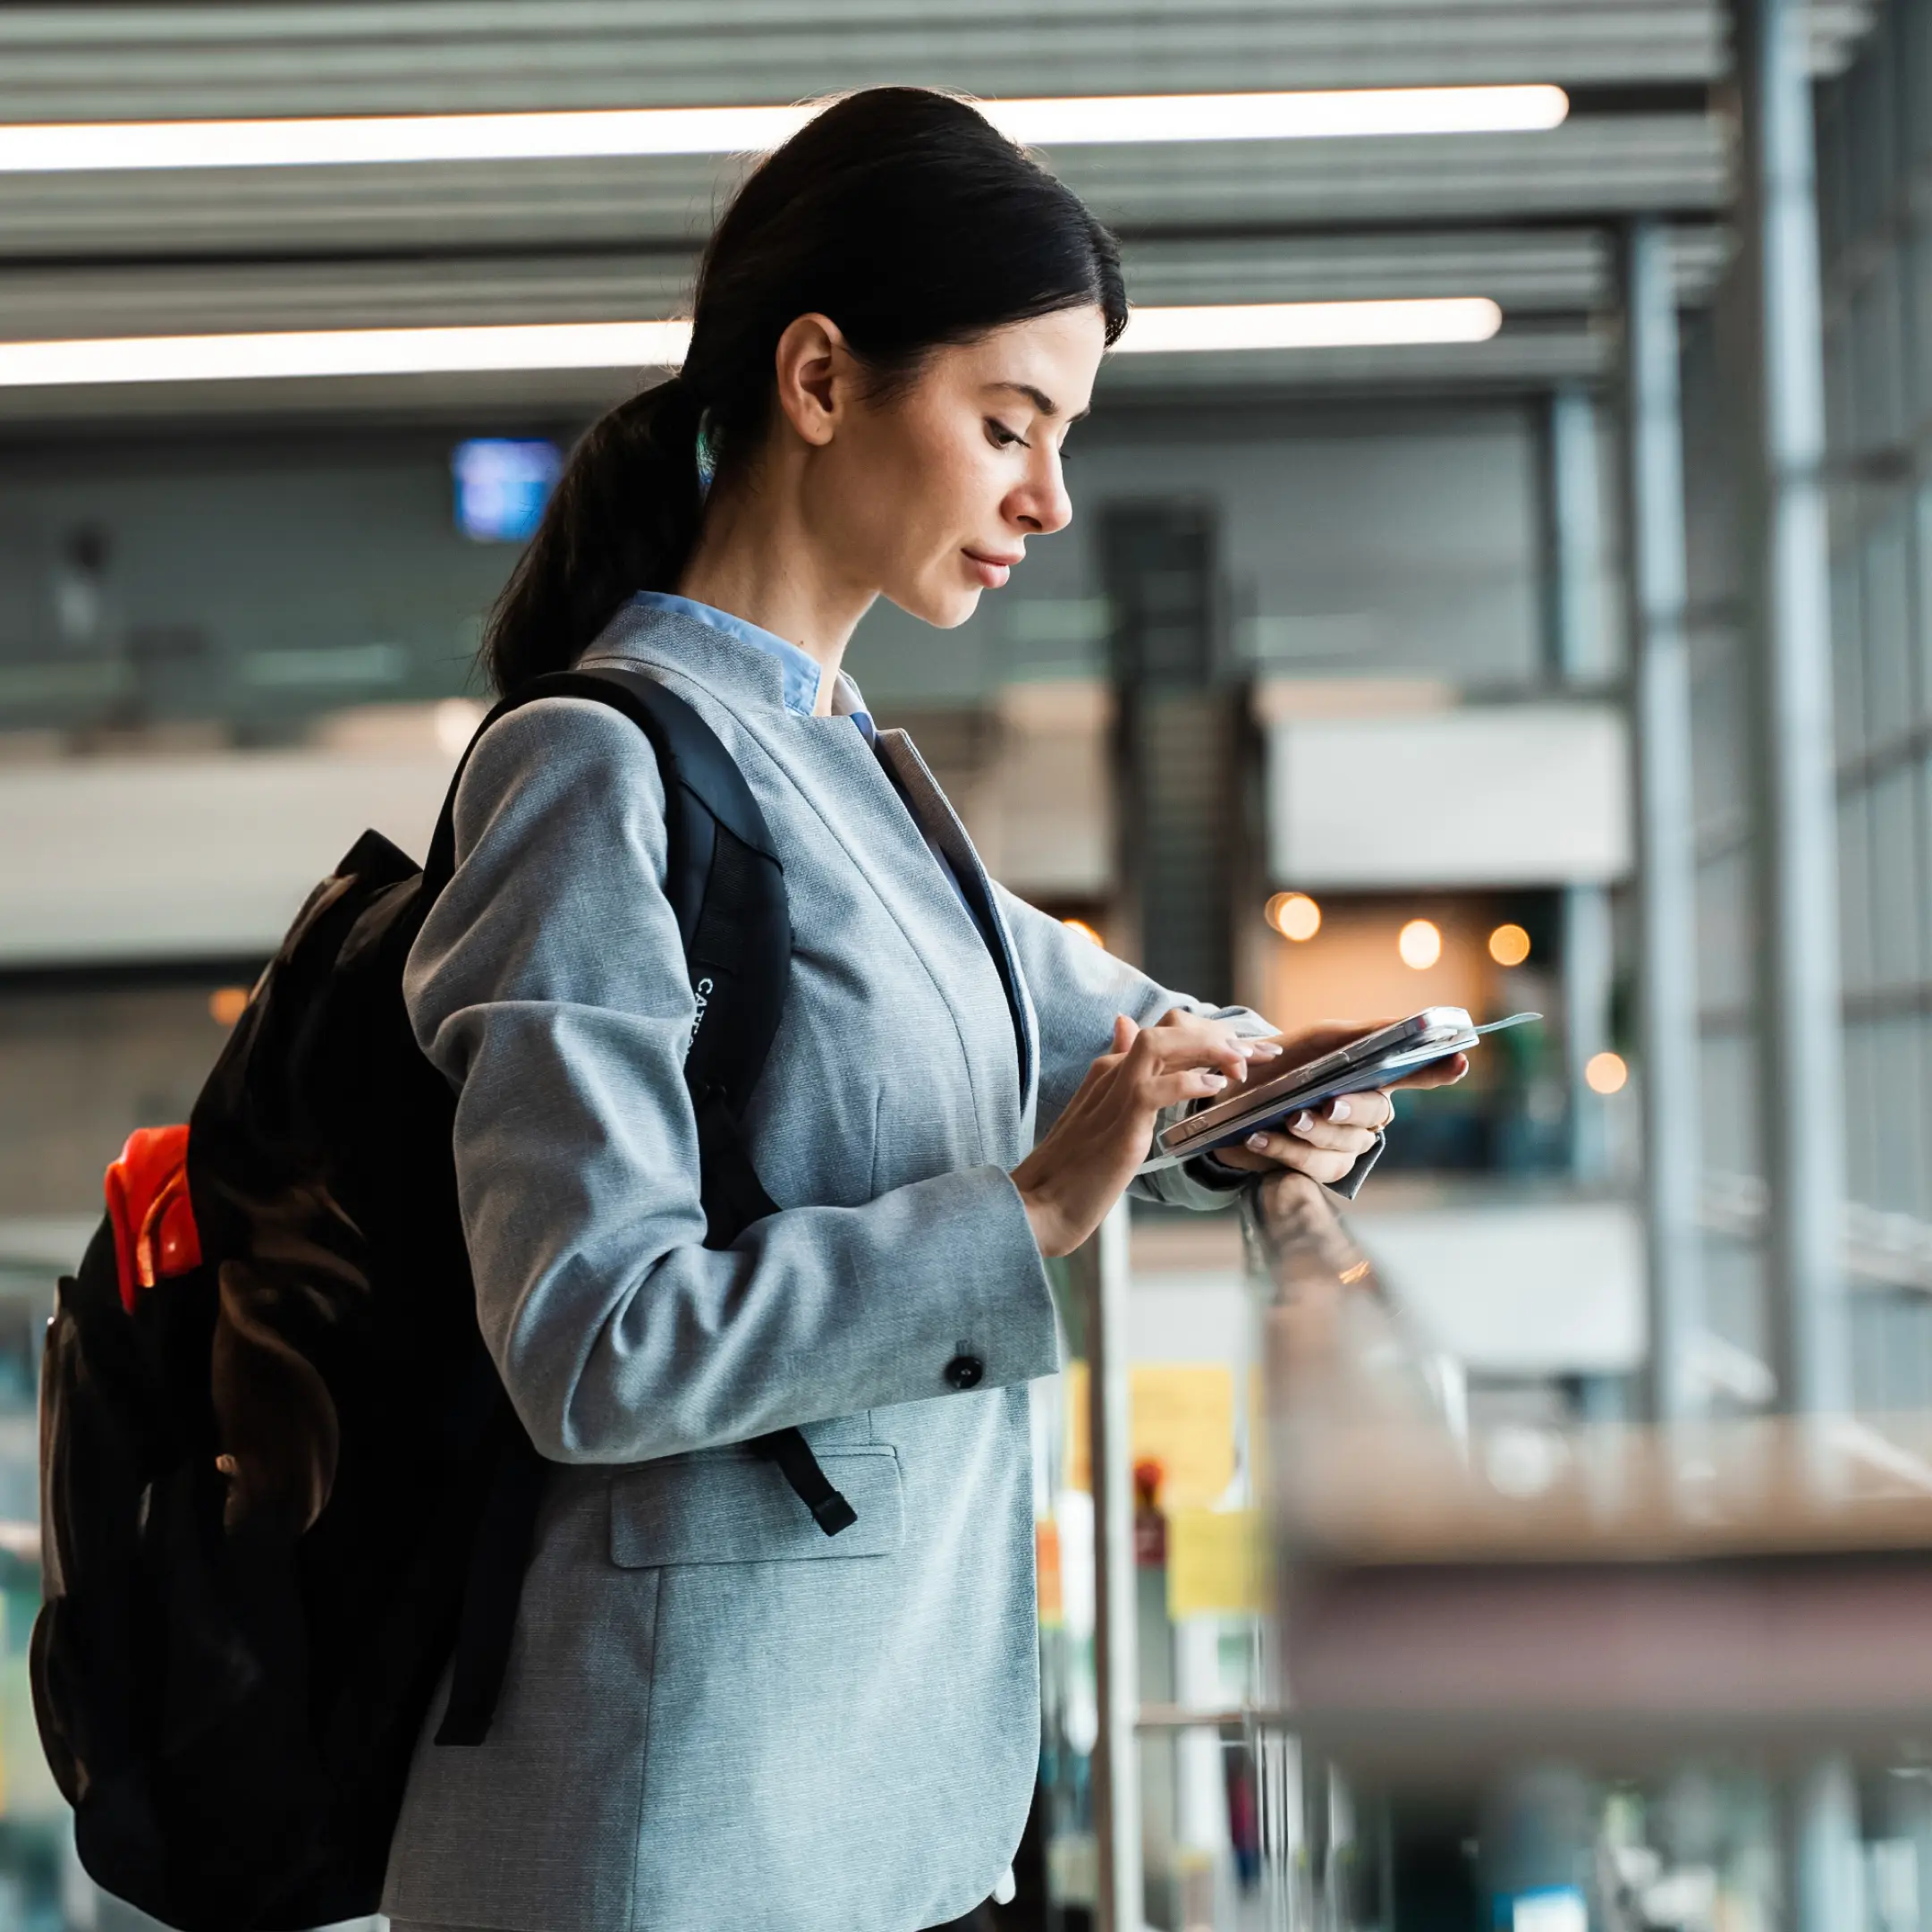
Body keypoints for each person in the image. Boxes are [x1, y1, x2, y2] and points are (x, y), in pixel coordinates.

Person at [382, 86, 1462, 1932]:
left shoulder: (859, 776)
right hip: (678, 1840)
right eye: (1006, 426)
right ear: (819, 381)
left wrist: (1272, 1097)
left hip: (887, 1822)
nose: (1049, 499)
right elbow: (591, 1340)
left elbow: (1124, 1034)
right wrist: (1037, 1211)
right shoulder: (594, 770)